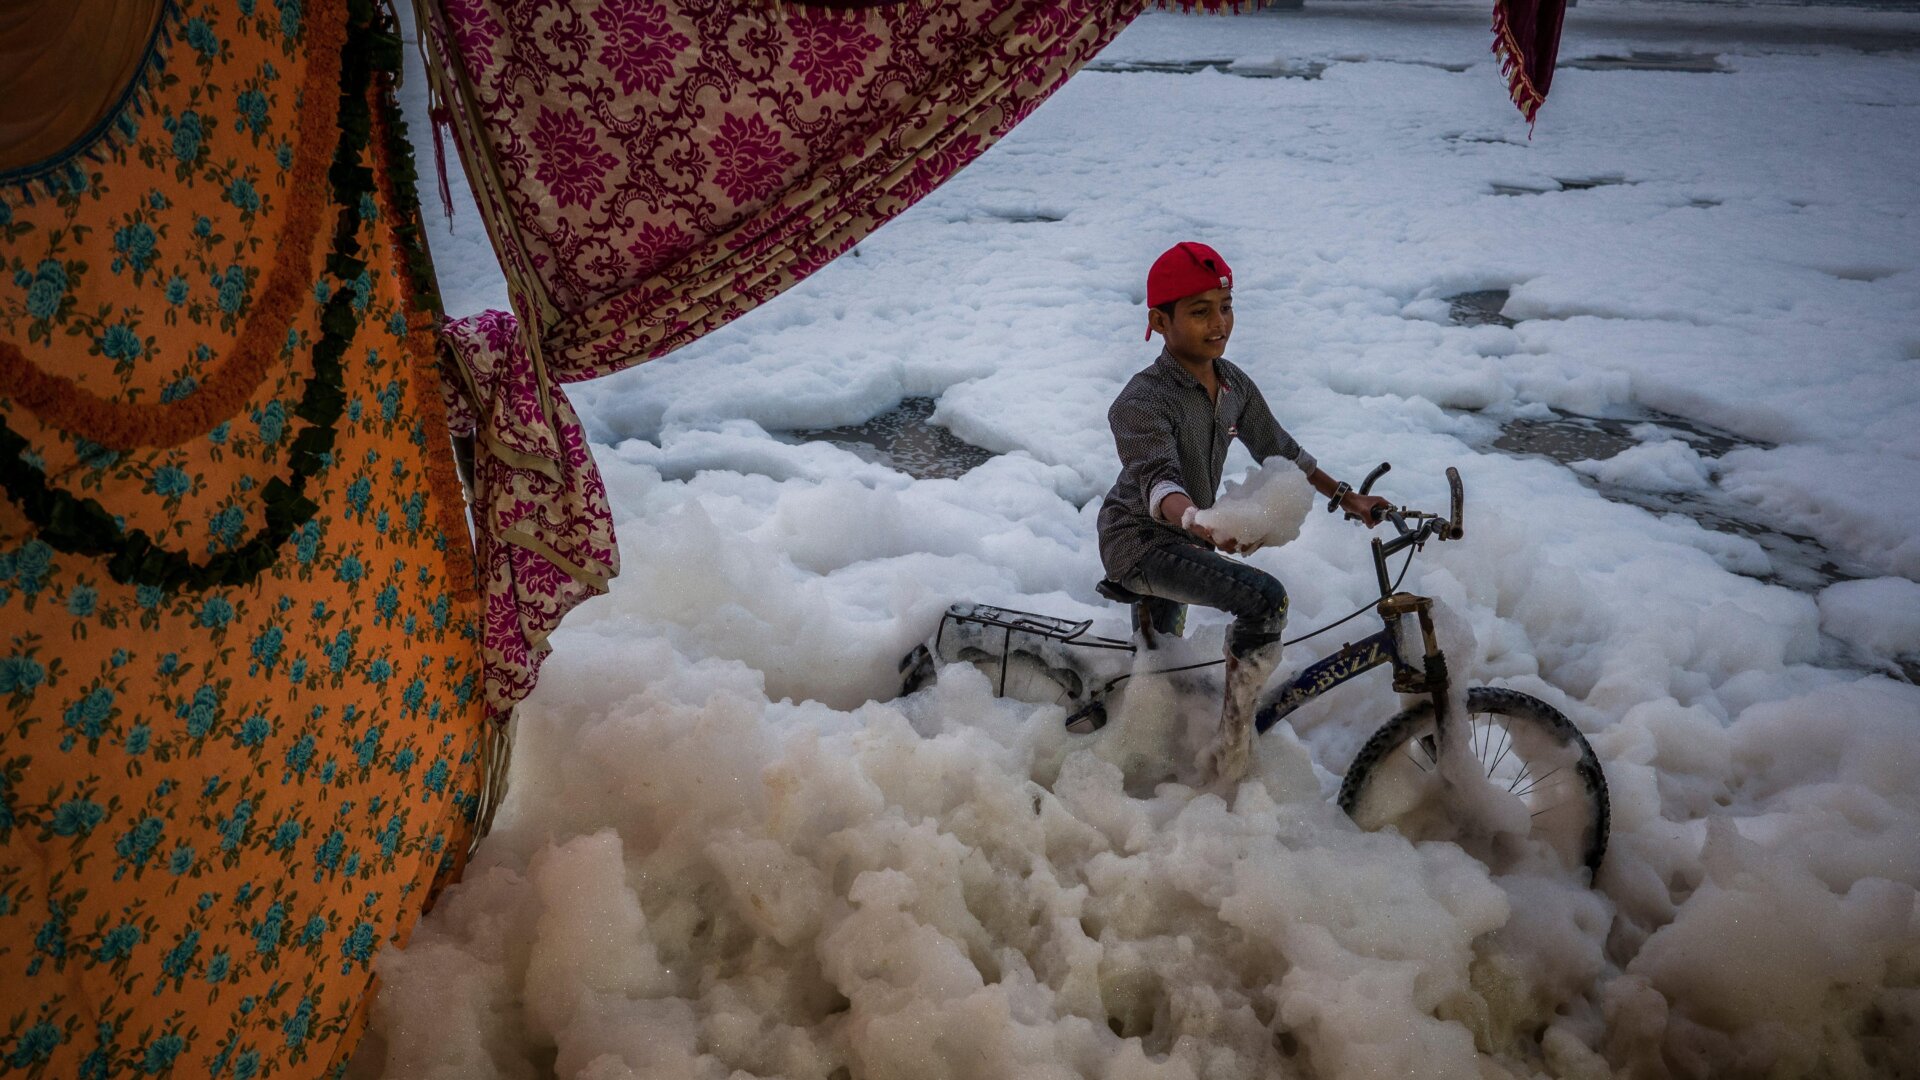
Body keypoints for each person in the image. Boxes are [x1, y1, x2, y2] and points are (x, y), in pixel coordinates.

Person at [1097, 242, 1390, 784]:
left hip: (1188, 535)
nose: (1219, 323)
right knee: (1264, 600)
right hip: (1140, 542)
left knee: (1165, 662)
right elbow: (1156, 479)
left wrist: (1347, 497)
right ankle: (1232, 743)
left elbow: (1280, 450)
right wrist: (1193, 521)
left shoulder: (1232, 384)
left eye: (1225, 306)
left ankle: (1148, 744)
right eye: (1200, 310)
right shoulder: (1141, 399)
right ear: (1160, 321)